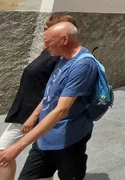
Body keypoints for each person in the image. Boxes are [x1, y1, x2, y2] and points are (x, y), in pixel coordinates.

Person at [0, 22, 99, 180]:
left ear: (64, 39)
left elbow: (61, 110)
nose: (45, 46)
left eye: (48, 41)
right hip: (46, 136)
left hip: (69, 138)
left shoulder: (83, 65)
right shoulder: (63, 59)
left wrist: (18, 146)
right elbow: (50, 93)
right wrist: (33, 117)